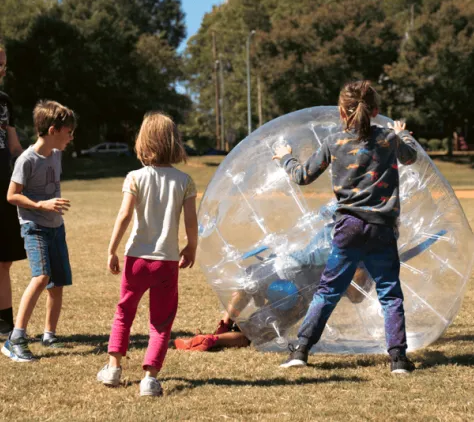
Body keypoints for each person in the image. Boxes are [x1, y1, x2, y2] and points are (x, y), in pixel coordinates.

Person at [273, 80, 418, 374]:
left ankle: (301, 350)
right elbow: (410, 156)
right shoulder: (389, 139)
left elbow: (302, 176)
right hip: (382, 227)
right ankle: (398, 359)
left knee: (327, 291)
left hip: (348, 226)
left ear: (342, 111)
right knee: (390, 293)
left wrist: (285, 157)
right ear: (376, 111)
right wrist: (404, 135)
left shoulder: (333, 142)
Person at [96, 111, 198, 397]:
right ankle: (150, 379)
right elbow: (191, 220)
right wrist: (191, 246)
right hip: (166, 262)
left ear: (143, 141)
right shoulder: (184, 181)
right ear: (173, 142)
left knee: (124, 311)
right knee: (161, 321)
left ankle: (113, 368)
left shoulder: (135, 177)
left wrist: (112, 248)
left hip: (136, 259)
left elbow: (125, 214)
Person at [174, 224, 372, 352]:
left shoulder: (334, 225)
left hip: (282, 265)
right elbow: (356, 296)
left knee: (248, 285)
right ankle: (214, 339)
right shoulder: (362, 257)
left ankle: (225, 322)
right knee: (252, 334)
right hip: (301, 292)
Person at [2, 100, 76, 362]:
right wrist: (40, 205)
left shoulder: (56, 155)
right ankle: (15, 339)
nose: (71, 137)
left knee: (57, 283)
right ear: (54, 130)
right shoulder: (26, 159)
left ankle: (49, 334)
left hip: (56, 227)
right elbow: (12, 195)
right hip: (34, 227)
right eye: (69, 131)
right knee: (41, 277)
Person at [0, 45, 27, 337]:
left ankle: (4, 323)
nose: (2, 70)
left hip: (2, 185)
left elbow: (14, 146)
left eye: (4, 64)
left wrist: (33, 162)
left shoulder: (5, 101)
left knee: (3, 259)